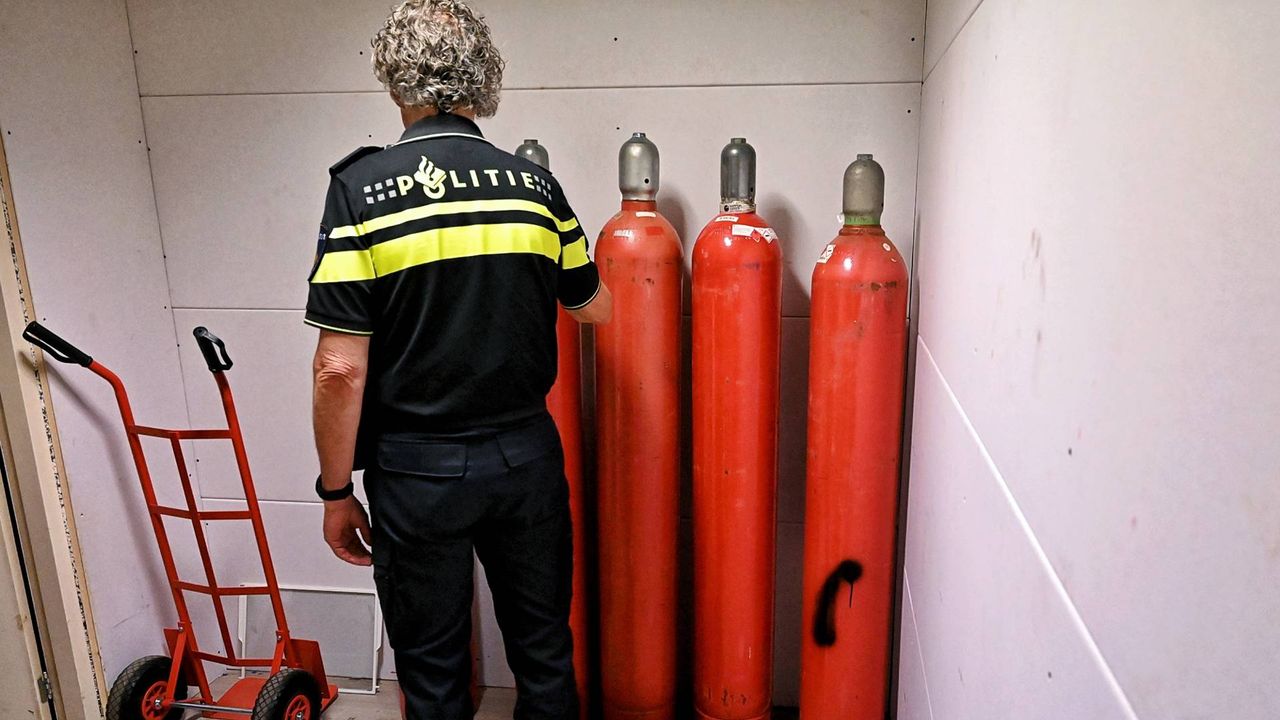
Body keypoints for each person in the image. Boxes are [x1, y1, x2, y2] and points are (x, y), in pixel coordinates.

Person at [304, 1, 611, 717]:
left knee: (434, 672)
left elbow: (339, 369)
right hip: (525, 454)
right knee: (543, 653)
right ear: (482, 83)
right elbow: (593, 307)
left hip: (416, 469)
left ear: (394, 84)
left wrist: (333, 491)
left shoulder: (360, 191)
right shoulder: (534, 188)